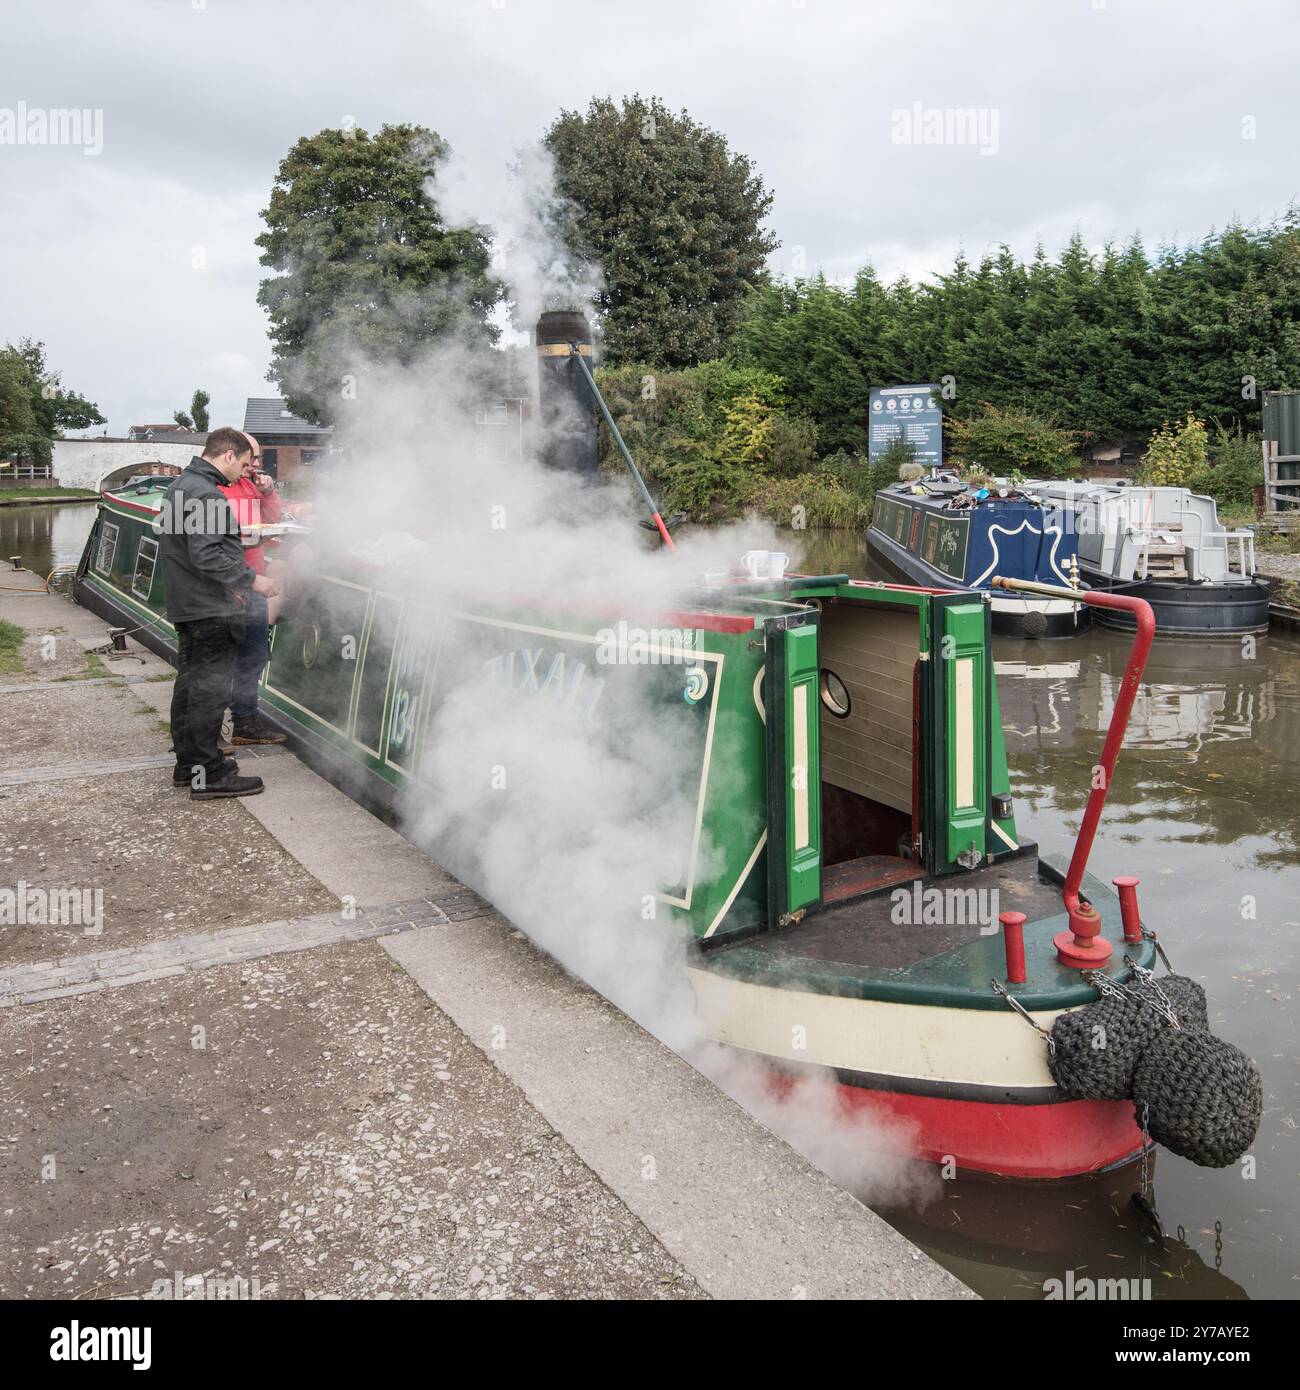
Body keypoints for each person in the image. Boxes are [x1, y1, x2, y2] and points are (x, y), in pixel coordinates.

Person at [158, 427, 279, 799]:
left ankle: (189, 766)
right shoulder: (207, 496)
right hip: (211, 609)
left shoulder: (179, 488)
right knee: (209, 693)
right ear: (228, 456)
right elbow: (207, 555)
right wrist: (251, 581)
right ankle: (207, 775)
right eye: (243, 463)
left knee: (190, 687)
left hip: (187, 605)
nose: (243, 470)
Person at [218, 431, 287, 747]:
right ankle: (211, 733)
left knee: (254, 657)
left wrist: (269, 492)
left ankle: (245, 721)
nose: (256, 464)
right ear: (234, 454)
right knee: (219, 661)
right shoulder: (213, 490)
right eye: (252, 458)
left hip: (255, 586)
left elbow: (274, 519)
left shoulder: (251, 486)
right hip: (225, 587)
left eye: (257, 459)